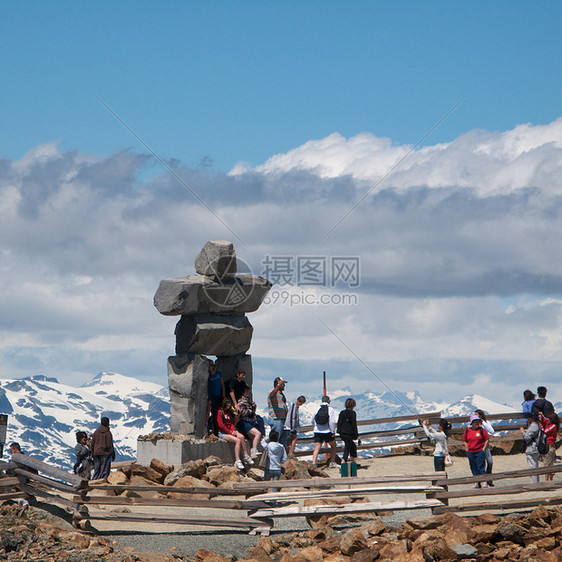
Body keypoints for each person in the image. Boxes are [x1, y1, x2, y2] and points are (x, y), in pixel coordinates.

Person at [215, 398, 253, 470]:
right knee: (237, 441)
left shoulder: (228, 413)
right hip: (223, 432)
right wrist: (230, 432)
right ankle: (237, 460)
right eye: (228, 404)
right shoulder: (220, 411)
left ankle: (245, 455)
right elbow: (220, 425)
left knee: (241, 437)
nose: (229, 405)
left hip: (230, 431)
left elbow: (231, 423)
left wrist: (233, 430)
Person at [462, 414, 489, 488]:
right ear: (472, 423)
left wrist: (483, 449)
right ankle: (476, 481)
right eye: (475, 421)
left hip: (479, 451)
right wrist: (467, 449)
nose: (477, 423)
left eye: (478, 421)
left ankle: (483, 481)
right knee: (473, 466)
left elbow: (486, 439)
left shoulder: (481, 430)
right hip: (470, 451)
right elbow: (465, 440)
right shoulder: (467, 430)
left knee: (481, 466)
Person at [311, 396, 338, 468]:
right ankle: (332, 462)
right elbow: (332, 422)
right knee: (333, 446)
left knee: (317, 448)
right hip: (327, 431)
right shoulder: (330, 409)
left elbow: (312, 420)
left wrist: (316, 427)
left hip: (317, 431)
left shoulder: (317, 409)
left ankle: (314, 463)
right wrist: (333, 431)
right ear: (329, 401)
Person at [236, 387, 262, 456]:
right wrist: (250, 411)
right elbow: (242, 412)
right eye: (246, 391)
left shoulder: (249, 402)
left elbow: (254, 409)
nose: (248, 393)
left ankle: (252, 451)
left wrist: (253, 405)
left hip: (250, 422)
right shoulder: (241, 401)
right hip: (244, 422)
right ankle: (254, 450)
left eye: (248, 391)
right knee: (258, 434)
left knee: (254, 437)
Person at [474, 409, 496, 486]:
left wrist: (483, 423)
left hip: (485, 444)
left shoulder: (485, 423)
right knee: (480, 463)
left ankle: (488, 477)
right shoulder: (473, 424)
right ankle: (481, 480)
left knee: (490, 462)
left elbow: (492, 431)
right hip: (478, 445)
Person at [90, 416, 115, 481]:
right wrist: (112, 454)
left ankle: (94, 480)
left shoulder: (96, 432)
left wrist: (92, 453)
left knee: (97, 468)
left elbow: (92, 444)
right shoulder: (107, 433)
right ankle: (102, 481)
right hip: (104, 453)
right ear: (108, 423)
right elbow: (110, 445)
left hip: (96, 453)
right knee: (104, 469)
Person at [267, 377, 289, 446]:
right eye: (282, 384)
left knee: (282, 442)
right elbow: (271, 395)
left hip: (283, 419)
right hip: (276, 419)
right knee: (275, 439)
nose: (284, 386)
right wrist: (278, 386)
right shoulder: (272, 392)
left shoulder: (281, 394)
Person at [337, 398, 359, 463]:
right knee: (348, 448)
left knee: (352, 446)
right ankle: (343, 461)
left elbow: (339, 423)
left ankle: (353, 462)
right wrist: (356, 435)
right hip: (348, 433)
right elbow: (354, 425)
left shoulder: (342, 413)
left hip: (342, 433)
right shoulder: (352, 413)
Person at [520, 415, 541, 483]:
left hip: (532, 448)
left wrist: (523, 432)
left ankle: (534, 483)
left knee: (532, 466)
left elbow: (527, 438)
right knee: (533, 465)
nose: (527, 419)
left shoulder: (533, 426)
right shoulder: (535, 425)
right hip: (534, 448)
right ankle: (534, 482)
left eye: (528, 418)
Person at [540, 411, 560, 481]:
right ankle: (550, 479)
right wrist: (541, 416)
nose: (547, 419)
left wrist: (541, 427)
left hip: (549, 445)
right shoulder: (550, 425)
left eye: (549, 418)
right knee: (549, 462)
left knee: (547, 462)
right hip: (548, 444)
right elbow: (544, 420)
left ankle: (547, 479)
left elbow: (545, 432)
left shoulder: (553, 426)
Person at [207, 360, 225, 434]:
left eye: (212, 365)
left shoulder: (219, 374)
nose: (212, 366)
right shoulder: (208, 376)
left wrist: (223, 395)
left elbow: (222, 385)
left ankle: (218, 428)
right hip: (212, 396)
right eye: (210, 365)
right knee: (213, 411)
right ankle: (211, 427)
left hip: (219, 396)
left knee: (219, 412)